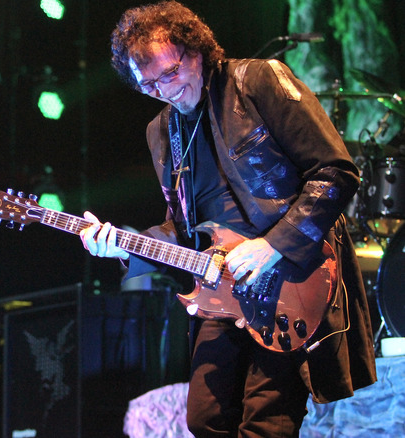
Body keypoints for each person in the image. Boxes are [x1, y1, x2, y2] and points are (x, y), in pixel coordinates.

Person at [79, 2, 377, 436]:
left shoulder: (259, 81)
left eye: (171, 72)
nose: (165, 89)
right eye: (148, 84)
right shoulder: (161, 132)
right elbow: (181, 231)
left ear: (196, 51)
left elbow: (336, 172)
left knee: (265, 425)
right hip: (222, 289)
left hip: (290, 279)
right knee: (206, 420)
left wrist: (274, 244)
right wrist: (122, 244)